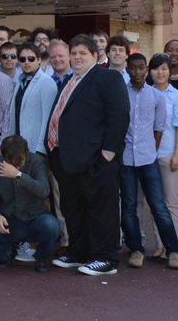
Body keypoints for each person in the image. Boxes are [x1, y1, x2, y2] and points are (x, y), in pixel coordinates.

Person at [45, 34, 129, 276]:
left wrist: (108, 153)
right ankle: (79, 252)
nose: (77, 57)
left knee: (102, 210)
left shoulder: (107, 78)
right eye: (74, 53)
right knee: (74, 209)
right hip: (67, 160)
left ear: (94, 55)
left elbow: (119, 115)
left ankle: (106, 258)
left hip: (96, 160)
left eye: (83, 53)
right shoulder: (70, 81)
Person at [120, 53, 178, 270]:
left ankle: (173, 250)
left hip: (148, 159)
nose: (137, 72)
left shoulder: (157, 97)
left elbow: (159, 129)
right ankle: (137, 249)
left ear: (146, 70)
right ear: (127, 69)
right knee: (128, 206)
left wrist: (150, 151)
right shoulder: (121, 94)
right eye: (133, 68)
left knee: (159, 205)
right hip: (127, 159)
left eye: (141, 68)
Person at [0, 135, 60, 273]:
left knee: (51, 225)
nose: (16, 165)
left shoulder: (37, 161)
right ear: (3, 157)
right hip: (9, 220)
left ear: (26, 153)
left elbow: (44, 191)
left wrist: (18, 175)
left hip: (34, 218)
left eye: (20, 161)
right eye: (11, 162)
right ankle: (5, 253)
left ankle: (42, 258)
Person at [146, 53, 178, 257]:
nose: (159, 72)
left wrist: (177, 153)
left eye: (164, 68)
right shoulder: (145, 93)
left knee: (171, 202)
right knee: (155, 202)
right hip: (148, 156)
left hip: (169, 153)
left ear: (170, 71)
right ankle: (160, 244)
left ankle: (173, 246)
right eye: (155, 68)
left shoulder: (176, 95)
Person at [0, 44, 57, 158]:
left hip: (36, 149)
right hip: (17, 146)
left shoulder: (46, 82)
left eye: (31, 58)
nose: (27, 62)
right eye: (23, 59)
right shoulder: (20, 81)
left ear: (39, 60)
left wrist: (41, 149)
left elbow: (48, 120)